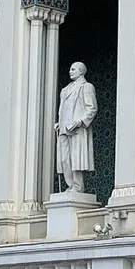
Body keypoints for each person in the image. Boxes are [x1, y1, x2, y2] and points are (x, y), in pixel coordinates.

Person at [55, 61, 98, 195]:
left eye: (73, 69)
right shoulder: (65, 90)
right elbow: (63, 109)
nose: (70, 72)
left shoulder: (86, 87)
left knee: (76, 159)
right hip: (63, 128)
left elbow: (92, 108)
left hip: (77, 128)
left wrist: (80, 122)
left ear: (81, 71)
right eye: (70, 69)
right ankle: (70, 185)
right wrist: (59, 122)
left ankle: (78, 187)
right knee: (64, 159)